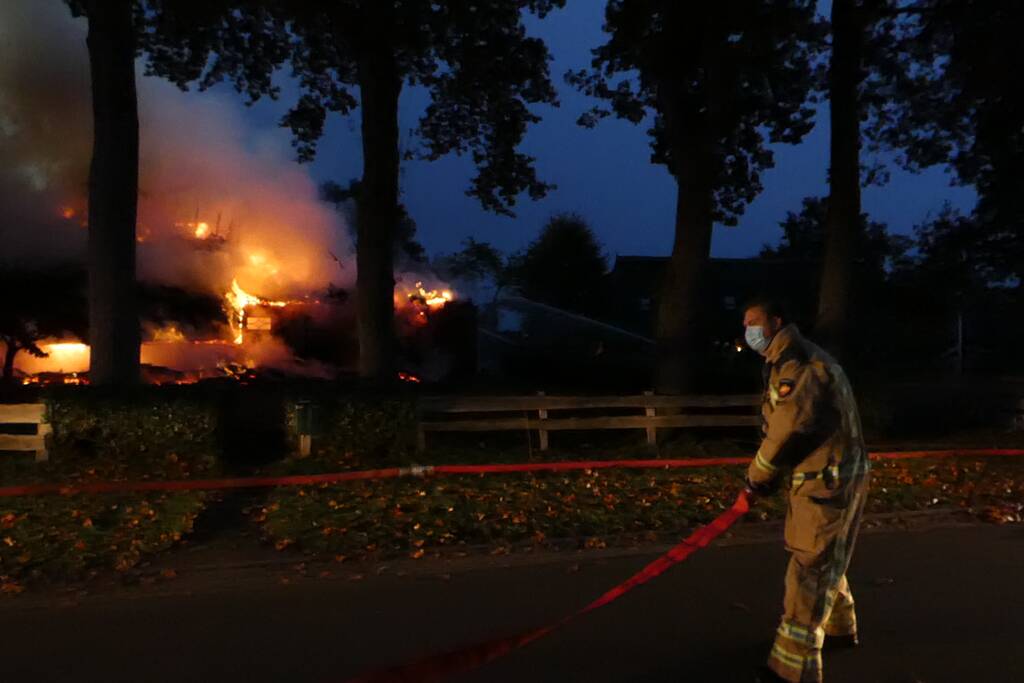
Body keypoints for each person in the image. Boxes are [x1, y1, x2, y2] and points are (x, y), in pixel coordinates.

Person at [742, 297, 870, 683]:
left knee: (809, 566)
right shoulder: (798, 358)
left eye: (754, 322)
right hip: (836, 474)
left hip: (825, 479)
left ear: (777, 321)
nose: (748, 331)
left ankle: (792, 668)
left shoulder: (796, 364)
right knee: (828, 553)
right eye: (744, 324)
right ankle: (839, 628)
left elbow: (787, 429)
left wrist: (757, 477)